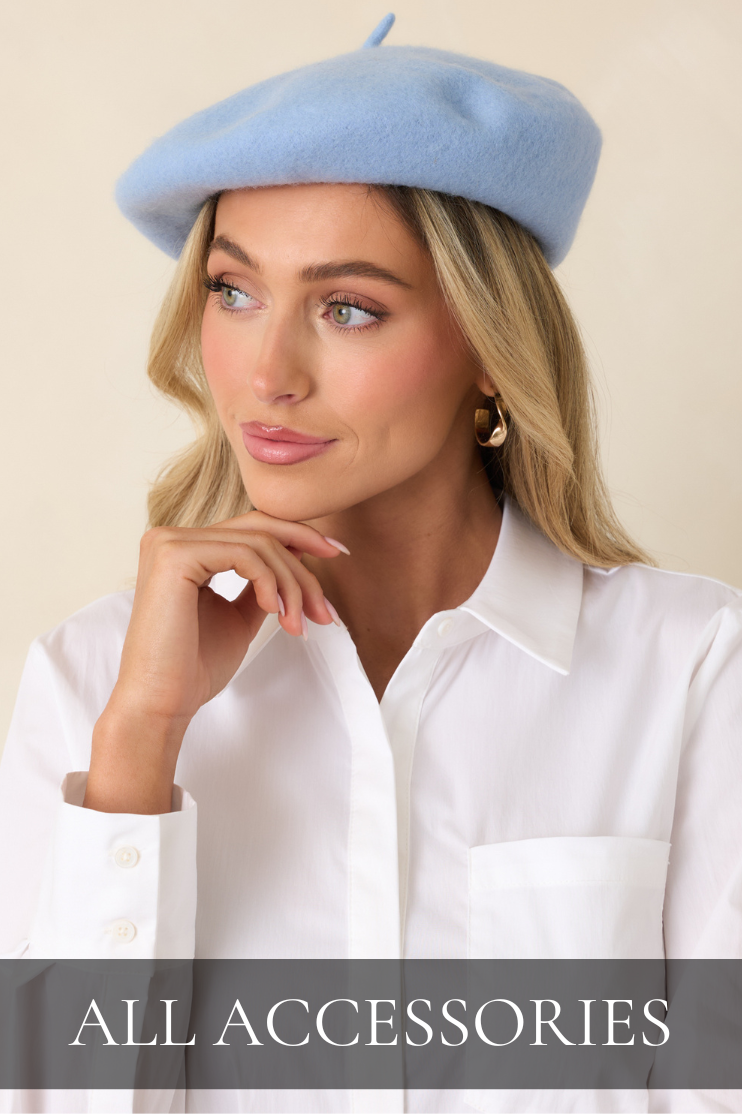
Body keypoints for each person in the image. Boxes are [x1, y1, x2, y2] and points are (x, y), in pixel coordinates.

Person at [0, 12, 740, 1114]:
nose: (265, 373)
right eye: (232, 290)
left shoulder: (690, 668)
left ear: (493, 348)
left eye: (347, 309)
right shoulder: (92, 680)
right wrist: (140, 749)